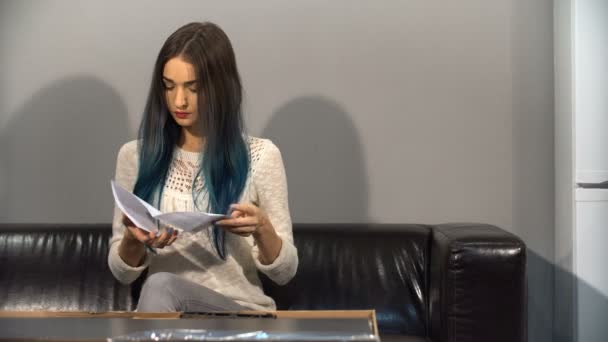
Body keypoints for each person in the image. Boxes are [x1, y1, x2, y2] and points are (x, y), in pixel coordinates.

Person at [107, 22, 298, 312]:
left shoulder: (261, 156)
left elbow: (284, 273)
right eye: (169, 87)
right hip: (166, 316)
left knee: (159, 285)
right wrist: (135, 241)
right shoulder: (134, 156)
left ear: (221, 88)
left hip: (239, 316)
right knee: (159, 287)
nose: (179, 101)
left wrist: (261, 227)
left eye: (193, 88)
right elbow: (121, 273)